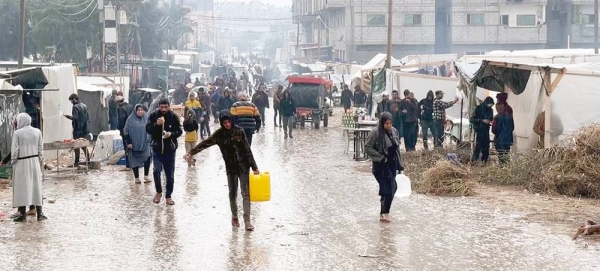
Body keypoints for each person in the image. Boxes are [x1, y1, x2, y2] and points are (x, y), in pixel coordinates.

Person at [184, 110, 260, 231]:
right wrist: (191, 152)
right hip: (231, 169)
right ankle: (234, 216)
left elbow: (247, 150)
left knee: (246, 194)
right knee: (232, 193)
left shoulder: (239, 131)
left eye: (229, 121)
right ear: (221, 123)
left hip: (243, 167)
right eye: (225, 122)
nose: (227, 125)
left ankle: (247, 221)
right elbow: (205, 143)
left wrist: (254, 167)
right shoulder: (219, 135)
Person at [364, 112, 404, 223]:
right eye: (386, 123)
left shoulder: (394, 131)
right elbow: (367, 147)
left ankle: (383, 211)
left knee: (390, 188)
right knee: (391, 187)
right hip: (380, 165)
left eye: (390, 123)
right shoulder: (375, 133)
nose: (389, 125)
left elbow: (397, 150)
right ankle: (385, 213)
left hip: (392, 165)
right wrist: (380, 157)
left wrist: (400, 165)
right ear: (382, 123)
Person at [146, 98, 183, 205]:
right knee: (156, 170)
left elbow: (179, 131)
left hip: (170, 149)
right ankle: (158, 192)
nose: (163, 109)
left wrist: (171, 134)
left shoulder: (173, 116)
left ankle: (168, 196)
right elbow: (148, 129)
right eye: (161, 107)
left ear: (169, 106)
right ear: (158, 106)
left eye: (165, 107)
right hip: (157, 148)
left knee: (170, 174)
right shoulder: (153, 116)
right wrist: (156, 125)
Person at [11, 113, 46, 222]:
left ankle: (22, 215)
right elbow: (41, 149)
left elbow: (15, 151)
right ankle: (40, 214)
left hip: (21, 162)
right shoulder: (37, 132)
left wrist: (13, 161)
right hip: (35, 162)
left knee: (22, 188)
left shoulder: (17, 133)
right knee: (36, 187)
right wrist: (39, 160)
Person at [124, 104, 152, 184]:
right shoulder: (130, 120)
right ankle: (136, 177)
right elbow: (125, 131)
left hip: (145, 143)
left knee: (147, 157)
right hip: (133, 144)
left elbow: (150, 128)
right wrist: (128, 142)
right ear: (135, 111)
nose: (140, 112)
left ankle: (146, 175)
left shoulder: (147, 118)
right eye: (138, 110)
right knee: (134, 160)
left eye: (141, 110)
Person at [64, 93, 90, 167]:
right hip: (84, 129)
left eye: (71, 101)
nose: (71, 102)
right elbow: (87, 118)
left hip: (77, 129)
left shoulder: (75, 107)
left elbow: (75, 118)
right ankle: (88, 160)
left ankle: (76, 161)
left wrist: (68, 116)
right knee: (83, 145)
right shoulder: (85, 106)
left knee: (76, 146)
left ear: (74, 99)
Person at [470, 97, 495, 163]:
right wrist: (481, 120)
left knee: (486, 147)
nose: (489, 106)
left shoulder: (490, 110)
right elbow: (471, 119)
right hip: (478, 131)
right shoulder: (477, 108)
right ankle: (474, 161)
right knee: (477, 146)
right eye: (489, 105)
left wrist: (489, 121)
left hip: (486, 130)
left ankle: (484, 161)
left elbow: (491, 118)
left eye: (491, 105)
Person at [116, 96, 134, 168]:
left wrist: (119, 128)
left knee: (126, 146)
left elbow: (121, 121)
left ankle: (128, 165)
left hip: (125, 130)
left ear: (118, 102)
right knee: (132, 145)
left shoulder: (121, 109)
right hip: (132, 129)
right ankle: (133, 163)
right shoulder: (130, 106)